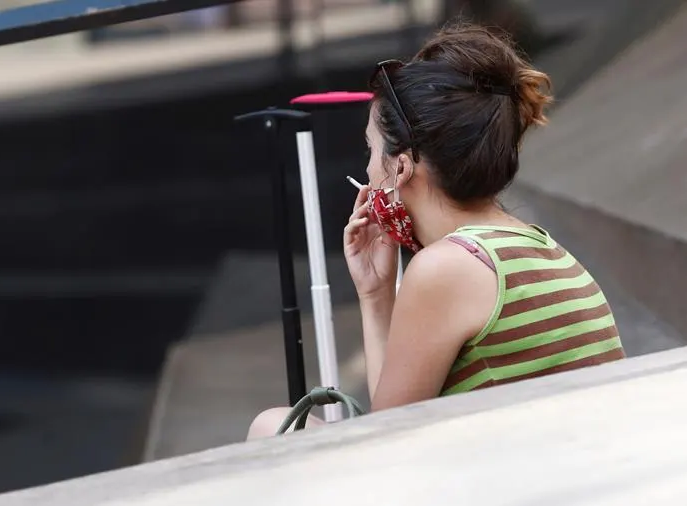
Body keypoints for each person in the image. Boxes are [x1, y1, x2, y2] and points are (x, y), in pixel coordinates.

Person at [247, 23, 625, 439]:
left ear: (403, 166)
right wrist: (376, 294)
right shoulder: (532, 244)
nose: (369, 170)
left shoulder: (446, 267)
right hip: (568, 469)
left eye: (372, 150)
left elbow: (389, 437)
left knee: (271, 427)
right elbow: (397, 412)